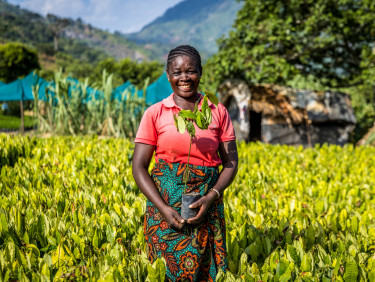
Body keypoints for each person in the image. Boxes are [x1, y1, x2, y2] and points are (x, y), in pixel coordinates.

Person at [132, 45, 238, 281]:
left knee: (207, 272)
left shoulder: (217, 111)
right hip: (165, 211)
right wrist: (164, 209)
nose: (184, 78)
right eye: (177, 72)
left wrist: (211, 197)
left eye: (190, 71)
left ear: (200, 73)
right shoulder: (155, 113)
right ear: (168, 75)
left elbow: (231, 162)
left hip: (206, 208)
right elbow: (139, 166)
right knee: (164, 273)